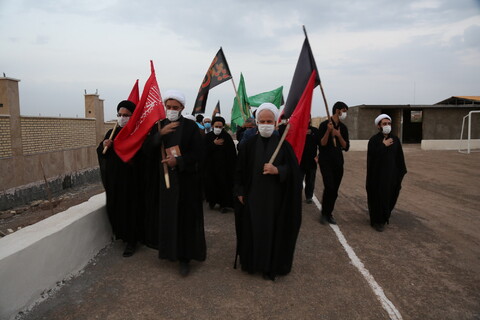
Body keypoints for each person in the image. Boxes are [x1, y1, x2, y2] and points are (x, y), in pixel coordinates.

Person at [234, 103, 302, 281]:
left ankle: (269, 266)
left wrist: (278, 170)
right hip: (253, 198)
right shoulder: (247, 145)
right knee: (252, 231)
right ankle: (252, 263)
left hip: (275, 200)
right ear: (256, 122)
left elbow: (294, 171)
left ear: (275, 123)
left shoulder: (283, 146)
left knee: (272, 232)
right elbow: (239, 171)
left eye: (269, 121)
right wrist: (240, 191)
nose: (265, 124)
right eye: (262, 121)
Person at [144, 89, 206, 276]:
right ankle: (169, 252)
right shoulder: (159, 126)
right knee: (168, 218)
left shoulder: (190, 128)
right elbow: (146, 150)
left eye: (175, 107)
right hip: (165, 183)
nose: (171, 110)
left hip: (186, 183)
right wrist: (160, 135)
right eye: (168, 107)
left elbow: (199, 154)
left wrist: (178, 161)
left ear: (182, 108)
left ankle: (185, 258)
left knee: (185, 220)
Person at [97, 100, 145, 257]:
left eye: (126, 115)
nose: (122, 118)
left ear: (133, 116)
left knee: (131, 210)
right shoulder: (112, 132)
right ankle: (121, 234)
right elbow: (102, 152)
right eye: (120, 115)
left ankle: (132, 241)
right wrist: (105, 144)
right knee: (115, 208)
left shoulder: (137, 134)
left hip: (132, 181)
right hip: (115, 180)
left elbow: (145, 157)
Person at [366, 114, 407, 232]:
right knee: (378, 198)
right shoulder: (374, 140)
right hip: (378, 176)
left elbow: (399, 157)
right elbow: (372, 157)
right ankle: (377, 221)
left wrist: (400, 173)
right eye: (384, 124)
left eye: (389, 123)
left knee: (390, 196)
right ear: (378, 126)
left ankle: (384, 216)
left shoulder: (395, 139)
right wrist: (383, 145)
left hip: (392, 176)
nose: (387, 126)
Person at [318, 101, 350, 225]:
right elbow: (322, 143)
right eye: (344, 111)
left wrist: (338, 135)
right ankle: (324, 214)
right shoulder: (324, 125)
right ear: (338, 111)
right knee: (329, 186)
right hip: (325, 161)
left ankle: (329, 212)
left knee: (335, 189)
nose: (345, 114)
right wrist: (328, 131)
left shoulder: (344, 128)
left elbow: (346, 146)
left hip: (338, 161)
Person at [204, 116, 237, 213]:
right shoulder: (208, 137)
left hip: (224, 168)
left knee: (224, 185)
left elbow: (231, 153)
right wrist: (213, 144)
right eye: (216, 126)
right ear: (212, 126)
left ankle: (224, 205)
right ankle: (212, 202)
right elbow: (203, 151)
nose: (218, 128)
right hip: (210, 168)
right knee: (211, 185)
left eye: (220, 127)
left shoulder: (226, 137)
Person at [301, 121, 320, 204]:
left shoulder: (315, 131)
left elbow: (321, 144)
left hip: (312, 161)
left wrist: (318, 156)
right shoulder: (298, 130)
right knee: (298, 181)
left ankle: (309, 196)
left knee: (310, 180)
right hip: (300, 161)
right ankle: (297, 196)